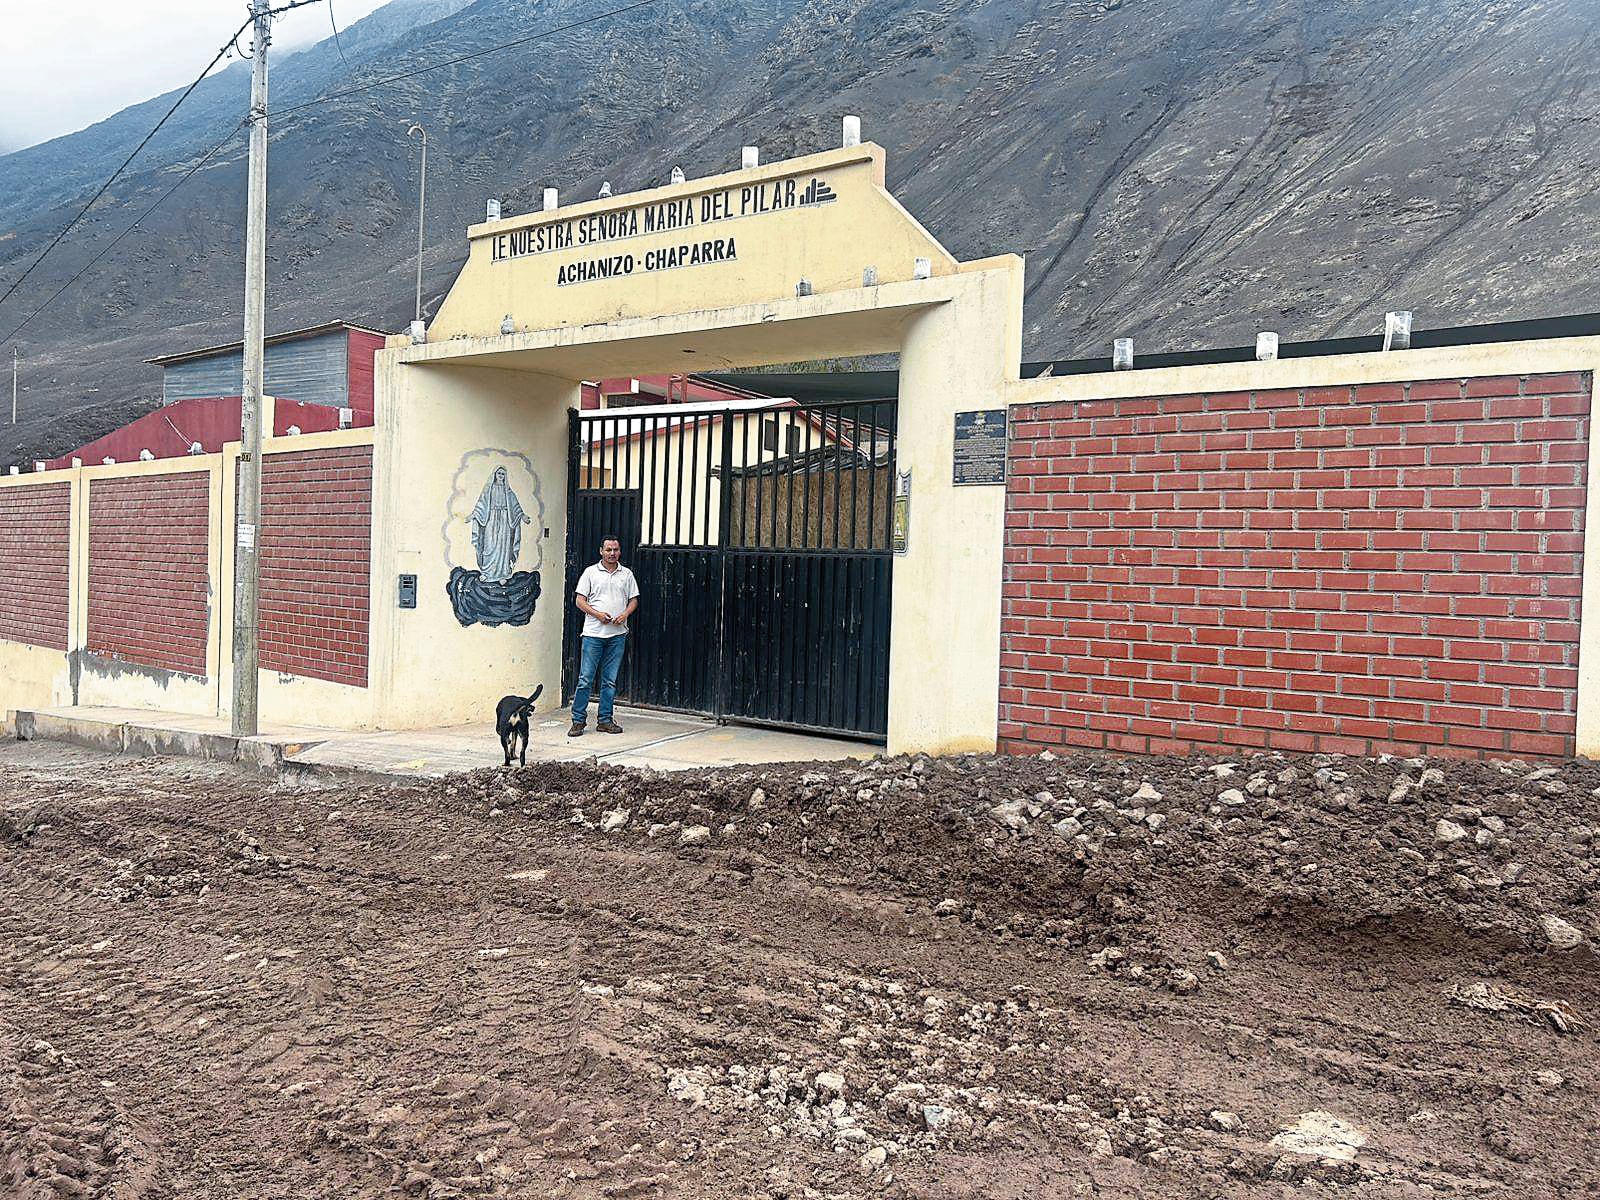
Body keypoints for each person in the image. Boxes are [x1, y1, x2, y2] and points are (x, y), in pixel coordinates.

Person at [569, 535, 639, 736]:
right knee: (586, 679)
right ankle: (578, 720)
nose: (612, 553)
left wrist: (625, 614)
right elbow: (579, 601)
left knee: (609, 680)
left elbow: (634, 600)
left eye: (615, 550)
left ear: (620, 551)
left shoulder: (626, 574)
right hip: (593, 634)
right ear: (601, 551)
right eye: (608, 550)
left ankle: (605, 720)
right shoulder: (590, 573)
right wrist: (598, 615)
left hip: (617, 635)